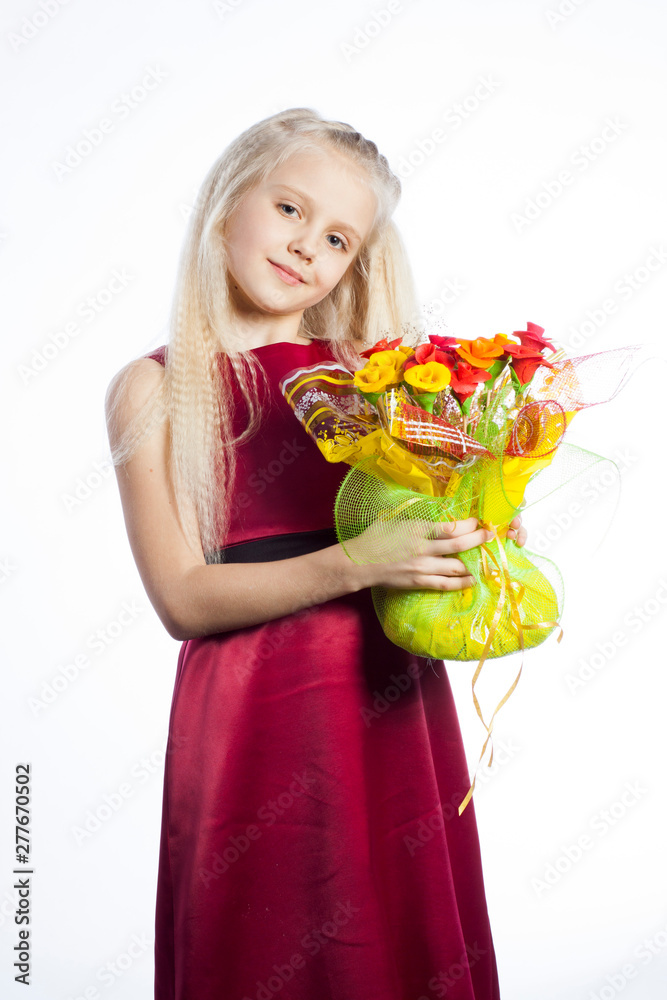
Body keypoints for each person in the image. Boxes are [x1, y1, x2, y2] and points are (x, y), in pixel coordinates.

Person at [105, 107, 527, 1000]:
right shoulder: (155, 384)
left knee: (395, 931)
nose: (306, 247)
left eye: (337, 237)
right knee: (266, 931)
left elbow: (432, 532)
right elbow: (181, 598)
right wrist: (356, 563)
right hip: (257, 700)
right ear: (226, 205)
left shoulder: (378, 379)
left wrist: (478, 531)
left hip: (387, 690)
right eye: (290, 210)